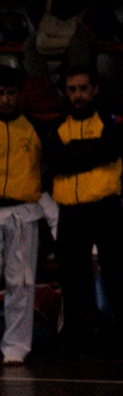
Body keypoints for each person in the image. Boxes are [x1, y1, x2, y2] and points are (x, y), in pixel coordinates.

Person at [49, 67, 123, 358]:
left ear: (95, 90)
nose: (77, 95)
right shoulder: (57, 125)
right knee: (72, 279)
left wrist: (72, 153)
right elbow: (56, 161)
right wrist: (89, 151)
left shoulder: (111, 119)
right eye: (72, 89)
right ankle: (74, 341)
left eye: (83, 89)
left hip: (105, 207)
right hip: (70, 210)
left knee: (119, 275)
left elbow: (109, 150)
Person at [0, 67, 55, 365]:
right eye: (0, 93)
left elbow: (54, 165)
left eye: (10, 93)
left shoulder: (35, 128)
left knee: (20, 283)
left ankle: (16, 348)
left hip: (23, 212)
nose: (5, 99)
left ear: (19, 94)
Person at [22, 0, 117, 94]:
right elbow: (33, 2)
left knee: (79, 45)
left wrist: (90, 24)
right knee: (29, 45)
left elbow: (102, 4)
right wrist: (42, 23)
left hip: (84, 24)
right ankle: (45, 93)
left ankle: (78, 92)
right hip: (54, 25)